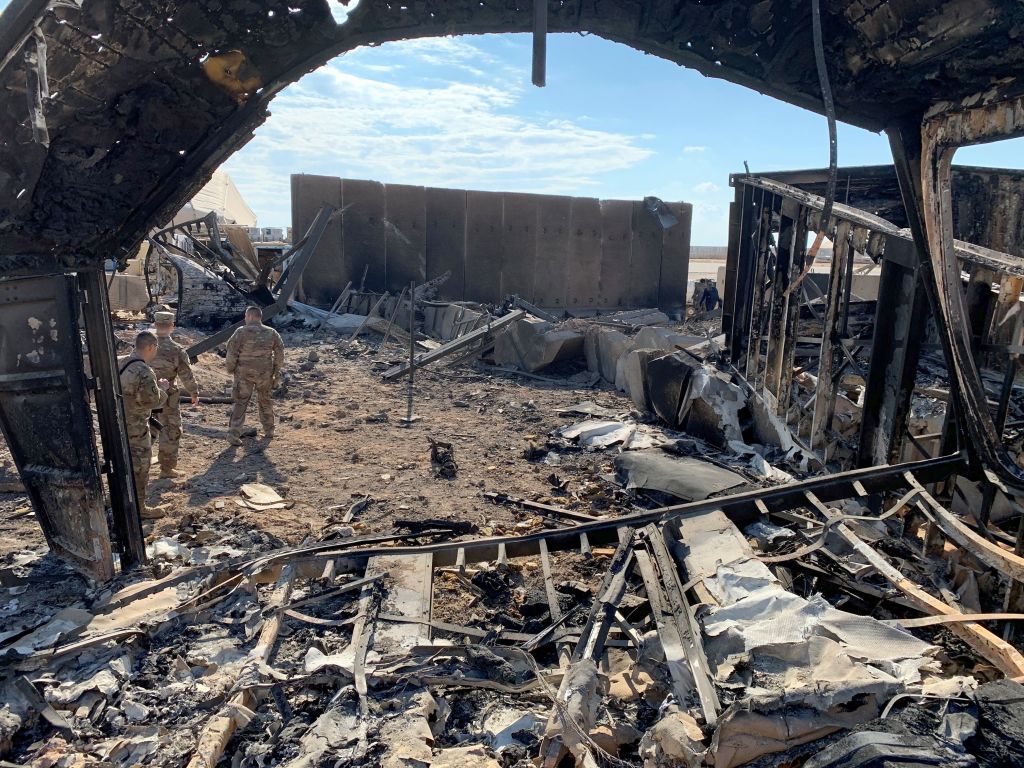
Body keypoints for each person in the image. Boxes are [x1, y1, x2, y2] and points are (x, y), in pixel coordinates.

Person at [119, 331, 169, 518]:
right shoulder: (144, 371)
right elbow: (151, 401)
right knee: (140, 466)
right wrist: (162, 389)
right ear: (150, 347)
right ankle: (140, 508)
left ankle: (116, 497)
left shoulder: (122, 362)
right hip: (136, 426)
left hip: (119, 422)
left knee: (121, 462)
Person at [150, 311, 200, 479]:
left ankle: (137, 467)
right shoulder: (176, 350)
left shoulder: (143, 345)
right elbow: (186, 374)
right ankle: (167, 468)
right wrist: (194, 392)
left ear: (155, 324)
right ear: (172, 326)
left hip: (144, 395)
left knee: (143, 431)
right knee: (170, 431)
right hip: (168, 398)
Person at [225, 306, 284, 445]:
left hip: (244, 374)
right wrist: (276, 372)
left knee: (241, 402)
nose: (245, 319)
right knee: (265, 400)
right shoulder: (272, 332)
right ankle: (269, 430)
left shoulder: (240, 332)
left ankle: (234, 434)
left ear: (250, 316)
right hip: (265, 373)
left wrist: (231, 368)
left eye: (246, 317)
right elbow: (280, 353)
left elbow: (231, 352)